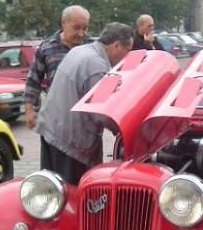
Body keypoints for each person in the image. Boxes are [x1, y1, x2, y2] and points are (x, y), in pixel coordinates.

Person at [36, 22, 134, 185]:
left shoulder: (80, 51)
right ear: (117, 45)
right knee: (73, 195)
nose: (128, 56)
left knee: (52, 189)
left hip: (51, 130)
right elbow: (102, 113)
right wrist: (126, 130)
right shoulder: (98, 67)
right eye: (128, 50)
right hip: (70, 143)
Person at [24, 5, 91, 130]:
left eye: (85, 28)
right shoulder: (47, 48)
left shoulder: (92, 47)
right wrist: (29, 111)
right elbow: (33, 81)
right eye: (76, 28)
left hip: (87, 121)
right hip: (57, 120)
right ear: (63, 23)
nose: (81, 33)